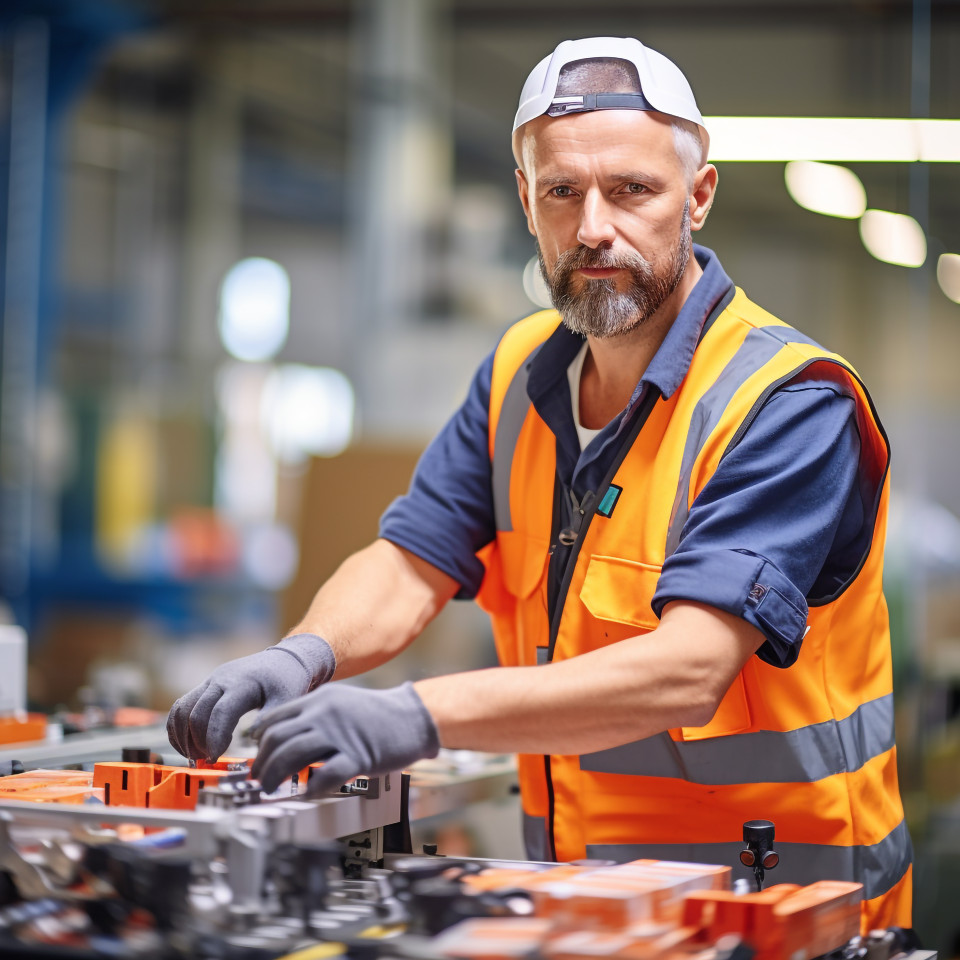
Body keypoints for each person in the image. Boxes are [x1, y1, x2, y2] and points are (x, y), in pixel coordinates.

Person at [167, 36, 911, 931]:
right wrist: (305, 653)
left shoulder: (787, 401)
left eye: (632, 190)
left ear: (698, 197)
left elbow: (688, 671)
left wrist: (417, 713)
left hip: (782, 914)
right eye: (563, 191)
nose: (595, 225)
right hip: (584, 907)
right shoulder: (521, 373)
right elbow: (412, 559)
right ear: (527, 200)